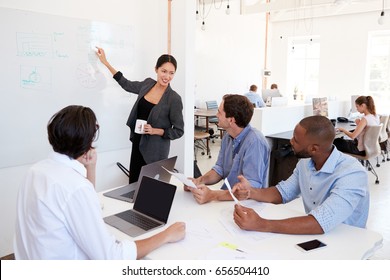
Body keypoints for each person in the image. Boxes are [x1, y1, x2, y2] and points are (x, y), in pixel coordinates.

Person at [14, 105, 185, 260]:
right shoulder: (75, 187)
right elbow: (111, 257)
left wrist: (91, 168)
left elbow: (87, 204)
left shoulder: (35, 171)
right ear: (87, 140)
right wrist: (166, 235)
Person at [232, 115, 369, 234]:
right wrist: (251, 192)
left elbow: (321, 222)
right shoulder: (305, 164)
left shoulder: (352, 173)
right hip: (317, 234)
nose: (291, 141)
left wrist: (262, 224)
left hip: (346, 240)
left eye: (296, 140)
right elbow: (283, 192)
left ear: (313, 148)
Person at [96, 47, 184, 183]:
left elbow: (179, 131)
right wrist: (106, 63)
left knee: (150, 190)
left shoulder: (174, 99)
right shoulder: (148, 84)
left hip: (155, 151)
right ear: (156, 69)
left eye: (171, 73)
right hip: (138, 142)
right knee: (134, 183)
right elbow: (126, 84)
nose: (167, 76)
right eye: (164, 71)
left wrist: (155, 130)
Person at [185, 94, 270, 204]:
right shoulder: (227, 136)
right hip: (228, 199)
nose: (217, 115)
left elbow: (248, 191)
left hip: (248, 205)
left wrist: (212, 195)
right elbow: (220, 170)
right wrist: (198, 181)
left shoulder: (255, 142)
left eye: (219, 112)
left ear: (231, 120)